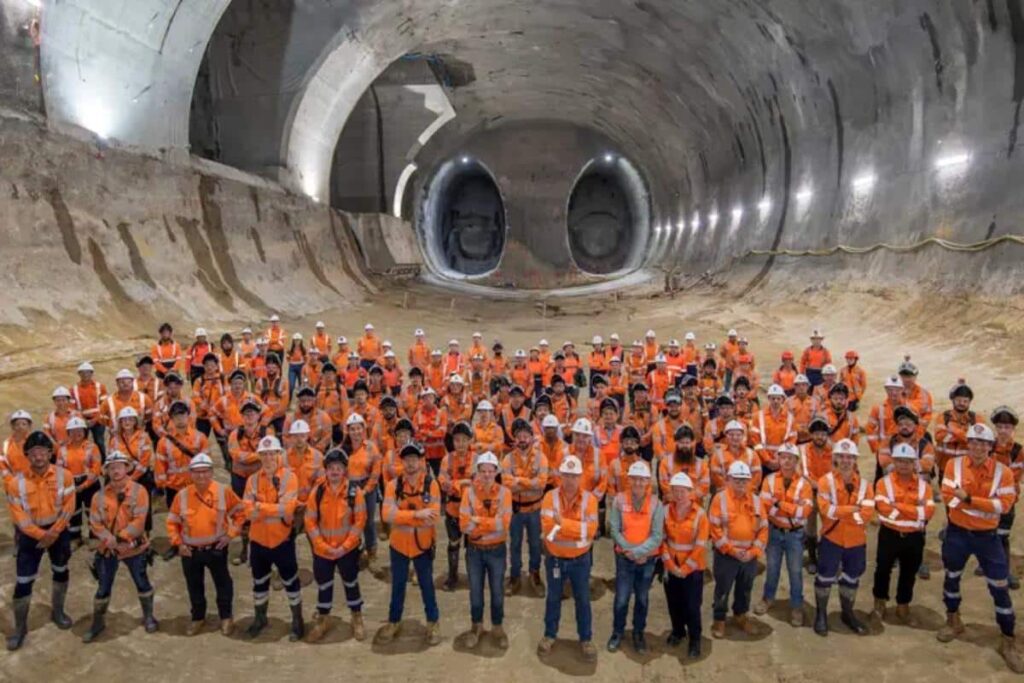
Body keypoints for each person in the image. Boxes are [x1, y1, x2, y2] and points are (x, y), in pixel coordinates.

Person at [938, 423, 1023, 672]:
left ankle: (1008, 640)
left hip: (987, 538)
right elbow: (948, 497)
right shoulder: (953, 465)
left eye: (983, 443)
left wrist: (968, 499)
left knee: (999, 586)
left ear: (990, 446)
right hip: (957, 534)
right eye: (973, 442)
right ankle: (953, 621)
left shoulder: (1003, 472)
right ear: (968, 444)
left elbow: (1004, 506)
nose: (977, 447)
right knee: (951, 577)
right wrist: (984, 503)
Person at [5, 431, 75, 651]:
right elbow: (19, 517)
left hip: (58, 531)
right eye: (33, 452)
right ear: (27, 455)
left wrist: (54, 532)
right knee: (24, 580)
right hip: (30, 537)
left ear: (50, 453)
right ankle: (20, 628)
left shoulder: (65, 476)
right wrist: (41, 535)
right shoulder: (16, 483)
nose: (38, 456)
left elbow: (69, 506)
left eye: (42, 451)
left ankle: (58, 611)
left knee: (61, 570)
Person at [166, 452, 245, 637]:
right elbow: (172, 522)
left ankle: (226, 617)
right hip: (190, 551)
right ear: (191, 474)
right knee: (194, 585)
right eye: (197, 472)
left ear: (211, 472)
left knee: (223, 583)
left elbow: (240, 513)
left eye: (205, 471)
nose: (201, 476)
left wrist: (230, 534)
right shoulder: (182, 496)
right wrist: (178, 544)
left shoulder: (223, 492)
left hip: (216, 549)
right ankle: (198, 617)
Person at [83, 451, 158, 642]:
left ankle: (149, 616)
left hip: (134, 548)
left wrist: (120, 539)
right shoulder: (98, 497)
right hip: (108, 549)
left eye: (119, 466)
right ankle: (98, 622)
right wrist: (111, 541)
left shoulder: (139, 491)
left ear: (126, 468)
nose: (116, 471)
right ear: (107, 471)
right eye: (111, 468)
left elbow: (139, 522)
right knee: (103, 587)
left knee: (142, 582)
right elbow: (95, 523)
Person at [378, 442, 442, 646]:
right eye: (407, 459)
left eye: (414, 459)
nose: (411, 463)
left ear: (421, 461)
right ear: (402, 462)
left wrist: (402, 516)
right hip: (399, 546)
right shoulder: (393, 485)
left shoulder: (431, 484)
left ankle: (433, 622)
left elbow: (433, 517)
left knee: (427, 586)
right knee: (398, 585)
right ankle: (394, 621)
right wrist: (417, 515)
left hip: (423, 546)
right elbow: (386, 514)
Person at [537, 455, 600, 662]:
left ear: (580, 477)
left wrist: (562, 524)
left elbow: (590, 531)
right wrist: (575, 529)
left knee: (582, 600)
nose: (570, 480)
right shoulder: (550, 497)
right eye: (566, 475)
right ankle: (549, 635)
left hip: (580, 560)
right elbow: (548, 530)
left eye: (574, 476)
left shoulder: (590, 500)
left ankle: (586, 639)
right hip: (555, 559)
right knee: (553, 598)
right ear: (560, 476)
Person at [243, 436, 304, 641]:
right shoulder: (252, 480)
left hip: (282, 541)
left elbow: (287, 509)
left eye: (272, 454)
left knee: (291, 582)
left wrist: (260, 506)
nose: (268, 458)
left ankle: (297, 620)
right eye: (264, 454)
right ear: (259, 456)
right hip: (258, 542)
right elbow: (247, 512)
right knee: (259, 583)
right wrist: (272, 509)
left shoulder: (289, 478)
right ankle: (260, 618)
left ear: (279, 455)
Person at [305, 448, 367, 642]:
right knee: (324, 585)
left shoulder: (354, 492)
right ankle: (323, 619)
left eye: (338, 468)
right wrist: (322, 546)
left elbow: (359, 522)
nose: (334, 471)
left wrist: (345, 547)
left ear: (344, 470)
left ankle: (357, 617)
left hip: (346, 551)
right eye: (331, 468)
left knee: (351, 582)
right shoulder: (318, 492)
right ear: (326, 470)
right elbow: (310, 521)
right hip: (323, 551)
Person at [813, 438, 874, 636]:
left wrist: (840, 511)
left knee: (852, 576)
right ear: (835, 458)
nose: (846, 461)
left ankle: (847, 613)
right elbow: (825, 511)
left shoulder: (865, 486)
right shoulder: (825, 482)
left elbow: (866, 516)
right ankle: (821, 614)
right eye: (842, 456)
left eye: (850, 457)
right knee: (825, 577)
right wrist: (852, 509)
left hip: (856, 542)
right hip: (832, 540)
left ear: (855, 460)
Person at [871, 442, 935, 626]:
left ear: (914, 463)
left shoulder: (924, 487)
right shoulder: (883, 483)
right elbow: (883, 508)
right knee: (882, 569)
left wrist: (897, 506)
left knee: (909, 572)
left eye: (907, 461)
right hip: (889, 535)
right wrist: (914, 510)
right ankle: (879, 603)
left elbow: (927, 513)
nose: (903, 465)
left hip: (914, 537)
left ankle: (903, 606)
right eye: (900, 460)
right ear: (894, 462)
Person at [607, 460, 665, 654]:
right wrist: (629, 552)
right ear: (629, 480)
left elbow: (657, 536)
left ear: (648, 481)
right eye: (635, 479)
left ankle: (638, 633)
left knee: (642, 598)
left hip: (646, 561)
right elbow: (614, 530)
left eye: (642, 479)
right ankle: (617, 632)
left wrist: (639, 553)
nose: (638, 483)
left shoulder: (656, 504)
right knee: (622, 598)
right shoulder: (619, 500)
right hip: (624, 559)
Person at [754, 443, 813, 627]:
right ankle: (768, 598)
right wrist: (791, 508)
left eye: (791, 458)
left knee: (795, 571)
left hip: (795, 535)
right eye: (783, 457)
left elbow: (804, 512)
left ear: (796, 461)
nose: (786, 461)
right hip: (774, 532)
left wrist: (778, 504)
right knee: (772, 568)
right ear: (778, 459)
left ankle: (796, 606)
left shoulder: (804, 484)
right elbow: (764, 506)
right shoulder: (769, 480)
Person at [459, 451, 513, 649]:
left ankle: (497, 627)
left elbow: (504, 524)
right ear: (477, 472)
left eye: (491, 471)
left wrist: (478, 521)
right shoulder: (469, 493)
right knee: (475, 591)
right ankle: (477, 626)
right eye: (483, 471)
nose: (487, 475)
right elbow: (464, 525)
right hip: (475, 552)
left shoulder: (505, 493)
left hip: (497, 551)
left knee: (497, 591)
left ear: (496, 472)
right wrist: (490, 523)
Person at [709, 460, 767, 638]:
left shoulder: (756, 501)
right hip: (726, 555)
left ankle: (740, 615)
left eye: (744, 480)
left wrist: (753, 552)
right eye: (737, 480)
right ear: (728, 480)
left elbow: (763, 529)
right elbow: (715, 529)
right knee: (723, 588)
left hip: (749, 556)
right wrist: (732, 550)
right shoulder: (720, 499)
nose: (741, 484)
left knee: (745, 588)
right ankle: (719, 619)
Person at [661, 471, 708, 658]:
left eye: (683, 491)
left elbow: (700, 545)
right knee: (674, 603)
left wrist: (685, 568)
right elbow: (662, 540)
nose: (679, 495)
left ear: (690, 492)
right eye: (676, 491)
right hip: (671, 565)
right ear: (671, 492)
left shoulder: (700, 515)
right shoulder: (665, 511)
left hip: (693, 568)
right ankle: (678, 631)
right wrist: (670, 565)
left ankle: (695, 639)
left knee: (692, 606)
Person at [155, 400, 207, 559]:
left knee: (197, 516)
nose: (180, 419)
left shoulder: (200, 438)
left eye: (182, 415)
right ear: (171, 418)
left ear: (188, 416)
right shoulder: (164, 442)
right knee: (175, 518)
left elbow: (206, 463)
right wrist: (162, 485)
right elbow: (160, 465)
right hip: (174, 488)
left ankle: (196, 543)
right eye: (176, 416)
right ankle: (176, 544)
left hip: (195, 487)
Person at [502, 417, 549, 596]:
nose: (522, 439)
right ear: (515, 439)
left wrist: (518, 481)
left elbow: (541, 483)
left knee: (535, 544)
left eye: (525, 436)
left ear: (531, 437)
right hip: (515, 511)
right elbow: (507, 484)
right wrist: (529, 482)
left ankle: (534, 574)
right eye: (519, 436)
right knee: (514, 544)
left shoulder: (541, 458)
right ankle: (515, 576)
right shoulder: (508, 459)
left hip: (535, 510)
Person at [439, 420, 476, 591]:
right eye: (457, 440)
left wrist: (455, 484)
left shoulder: (477, 459)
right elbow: (443, 483)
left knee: (472, 545)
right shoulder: (447, 459)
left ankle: (473, 575)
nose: (460, 444)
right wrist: (463, 483)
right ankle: (452, 576)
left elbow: (479, 483)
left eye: (464, 440)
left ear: (470, 441)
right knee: (453, 543)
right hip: (452, 509)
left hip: (472, 510)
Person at [992, 406, 1024, 590]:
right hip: (987, 501)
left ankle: (1004, 572)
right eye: (1000, 427)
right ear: (995, 428)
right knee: (986, 535)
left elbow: (1014, 477)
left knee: (1003, 536)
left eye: (1007, 427)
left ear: (1013, 429)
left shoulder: (1019, 451)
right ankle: (985, 563)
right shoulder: (986, 447)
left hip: (1007, 502)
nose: (1003, 431)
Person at [56, 416, 101, 547]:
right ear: (68, 433)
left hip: (90, 484)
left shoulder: (92, 447)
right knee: (73, 512)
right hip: (71, 485)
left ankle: (95, 536)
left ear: (84, 431)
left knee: (93, 511)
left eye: (79, 430)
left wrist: (85, 485)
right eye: (73, 431)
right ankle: (75, 538)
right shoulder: (62, 449)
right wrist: (68, 486)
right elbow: (59, 470)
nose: (76, 433)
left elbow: (96, 468)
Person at [342, 413, 381, 560]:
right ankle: (355, 548)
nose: (356, 432)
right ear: (348, 431)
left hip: (367, 486)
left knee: (368, 521)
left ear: (363, 429)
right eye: (352, 429)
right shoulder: (343, 449)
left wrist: (366, 489)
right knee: (352, 520)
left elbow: (376, 470)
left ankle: (371, 549)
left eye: (358, 428)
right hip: (349, 487)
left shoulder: (371, 447)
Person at [800, 417, 833, 575]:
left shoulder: (833, 450)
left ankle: (826, 557)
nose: (820, 437)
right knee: (811, 527)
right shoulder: (804, 449)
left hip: (829, 495)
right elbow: (804, 472)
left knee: (829, 526)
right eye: (817, 433)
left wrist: (824, 487)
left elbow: (836, 472)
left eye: (823, 434)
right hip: (811, 493)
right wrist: (819, 485)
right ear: (811, 434)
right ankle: (812, 559)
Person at [750, 384, 796, 474]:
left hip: (782, 461)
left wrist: (780, 458)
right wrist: (767, 460)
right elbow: (755, 440)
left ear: (782, 399)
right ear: (768, 399)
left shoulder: (790, 418)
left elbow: (792, 441)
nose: (776, 401)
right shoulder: (758, 416)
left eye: (778, 398)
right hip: (762, 461)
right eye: (773, 398)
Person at [657, 425, 710, 503]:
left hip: (694, 505)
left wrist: (686, 499)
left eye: (687, 442)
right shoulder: (665, 462)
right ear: (676, 443)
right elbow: (665, 487)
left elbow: (704, 488)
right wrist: (679, 498)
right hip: (672, 504)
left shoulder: (702, 464)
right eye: (681, 442)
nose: (685, 446)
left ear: (692, 443)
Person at [72, 361, 108, 457]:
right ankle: (84, 460)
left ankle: (103, 461)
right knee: (82, 442)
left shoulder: (100, 387)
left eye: (87, 372)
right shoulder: (73, 389)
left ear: (92, 373)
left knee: (99, 441)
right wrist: (82, 420)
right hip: (82, 419)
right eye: (82, 372)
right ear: (79, 374)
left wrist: (95, 420)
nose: (85, 375)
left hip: (98, 419)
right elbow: (73, 408)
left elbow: (104, 406)